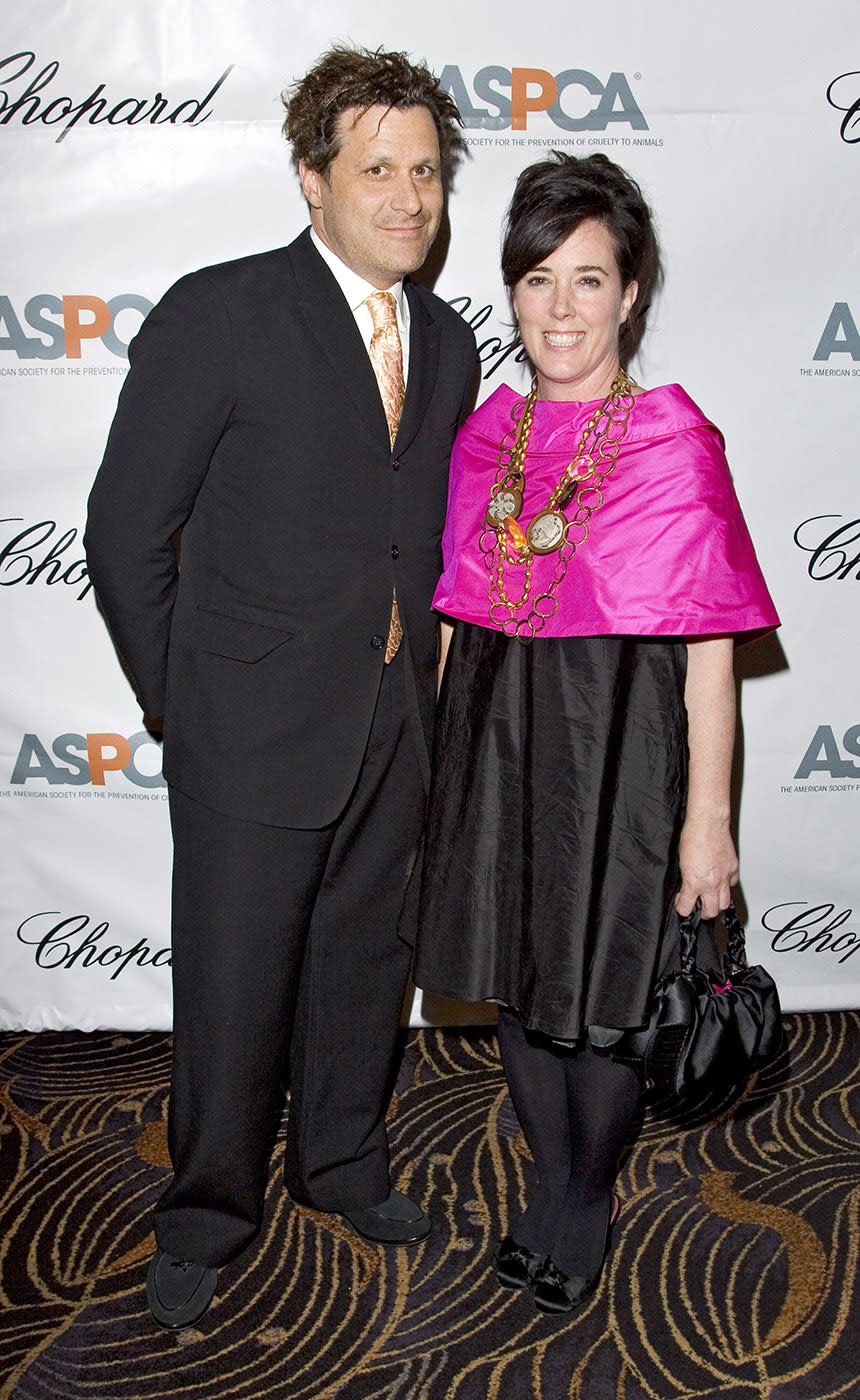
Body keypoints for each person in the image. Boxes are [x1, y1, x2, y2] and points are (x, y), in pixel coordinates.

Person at [85, 45, 477, 1330]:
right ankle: (206, 1209)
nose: (407, 197)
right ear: (313, 179)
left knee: (366, 961)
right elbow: (127, 531)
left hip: (392, 724)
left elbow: (414, 536)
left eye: (424, 171)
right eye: (378, 169)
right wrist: (180, 700)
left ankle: (343, 1162)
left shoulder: (452, 340)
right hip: (248, 725)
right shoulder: (221, 310)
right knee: (235, 978)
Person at [414, 153, 778, 1315]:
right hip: (496, 749)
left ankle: (583, 1194)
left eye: (586, 280)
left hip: (621, 757)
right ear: (509, 291)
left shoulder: (673, 443)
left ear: (630, 294)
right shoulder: (487, 436)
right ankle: (546, 1178)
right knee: (521, 985)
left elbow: (710, 647)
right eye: (534, 280)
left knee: (604, 992)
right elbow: (451, 620)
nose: (556, 309)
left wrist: (705, 823)